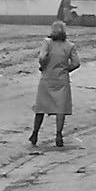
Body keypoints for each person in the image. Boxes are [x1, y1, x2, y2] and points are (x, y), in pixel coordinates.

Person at [30, 20, 81, 148]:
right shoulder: (70, 46)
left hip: (47, 78)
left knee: (41, 107)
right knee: (60, 109)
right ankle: (58, 135)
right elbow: (76, 63)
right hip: (62, 80)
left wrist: (43, 66)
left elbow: (42, 57)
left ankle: (35, 133)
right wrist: (66, 69)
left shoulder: (47, 43)